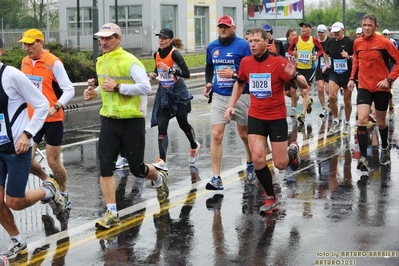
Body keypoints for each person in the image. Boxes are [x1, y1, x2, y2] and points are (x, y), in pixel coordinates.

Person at [83, 23, 169, 229]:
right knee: (105, 167)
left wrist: (118, 87)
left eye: (108, 38)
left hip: (131, 122)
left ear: (118, 39)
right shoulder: (100, 61)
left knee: (137, 170)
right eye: (101, 39)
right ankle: (111, 213)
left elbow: (146, 87)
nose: (103, 42)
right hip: (109, 121)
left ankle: (158, 179)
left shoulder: (130, 61)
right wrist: (93, 93)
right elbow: (105, 89)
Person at [224, 28, 305, 214]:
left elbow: (304, 85)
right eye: (249, 40)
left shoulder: (278, 62)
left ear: (266, 42)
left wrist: (293, 76)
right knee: (258, 158)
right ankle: (270, 197)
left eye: (256, 40)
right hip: (256, 116)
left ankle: (292, 153)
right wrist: (231, 105)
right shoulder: (246, 62)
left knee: (280, 164)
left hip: (276, 117)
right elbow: (240, 82)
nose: (251, 44)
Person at [0, 38, 66, 260]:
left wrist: (27, 134)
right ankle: (17, 240)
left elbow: (40, 104)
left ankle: (50, 191)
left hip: (16, 148)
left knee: (14, 202)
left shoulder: (11, 75)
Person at [18, 29, 75, 222]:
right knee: (25, 158)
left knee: (53, 162)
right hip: (32, 119)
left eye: (31, 44)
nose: (27, 48)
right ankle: (48, 182)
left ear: (40, 42)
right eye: (25, 44)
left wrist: (56, 106)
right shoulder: (24, 63)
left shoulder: (53, 62)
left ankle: (64, 192)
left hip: (52, 118)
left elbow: (69, 89)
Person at [203, 15, 255, 188]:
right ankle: (216, 177)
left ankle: (250, 161)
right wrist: (209, 82)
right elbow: (209, 66)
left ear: (233, 28)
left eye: (226, 26)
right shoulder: (212, 47)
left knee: (244, 135)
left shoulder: (244, 46)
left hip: (241, 94)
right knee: (217, 135)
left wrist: (233, 75)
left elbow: (251, 72)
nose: (222, 29)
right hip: (219, 95)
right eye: (220, 26)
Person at [348, 14, 399, 170]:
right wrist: (351, 78)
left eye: (370, 25)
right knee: (362, 120)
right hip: (363, 86)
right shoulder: (357, 42)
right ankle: (363, 158)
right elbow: (356, 60)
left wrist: (389, 79)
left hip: (381, 87)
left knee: (381, 123)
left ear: (375, 26)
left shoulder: (384, 43)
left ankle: (384, 148)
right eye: (364, 25)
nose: (367, 28)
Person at [149, 28, 201, 171]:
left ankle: (194, 146)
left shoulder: (175, 54)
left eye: (164, 38)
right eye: (159, 38)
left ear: (171, 40)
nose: (161, 40)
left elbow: (187, 73)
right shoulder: (157, 54)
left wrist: (170, 70)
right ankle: (162, 160)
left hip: (178, 93)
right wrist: (154, 74)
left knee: (183, 124)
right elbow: (158, 69)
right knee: (162, 126)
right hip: (164, 93)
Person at [288, 22, 324, 124]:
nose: (303, 29)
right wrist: (293, 53)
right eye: (302, 27)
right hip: (299, 68)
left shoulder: (314, 40)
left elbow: (321, 50)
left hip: (310, 68)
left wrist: (316, 56)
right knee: (303, 93)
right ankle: (309, 102)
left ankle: (302, 115)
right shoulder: (296, 39)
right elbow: (290, 50)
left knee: (305, 92)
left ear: (310, 29)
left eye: (305, 27)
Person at [323, 22, 354, 134]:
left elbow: (357, 57)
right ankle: (336, 121)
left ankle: (347, 122)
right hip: (334, 73)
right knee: (331, 97)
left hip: (347, 74)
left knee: (347, 101)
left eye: (338, 33)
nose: (336, 35)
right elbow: (325, 53)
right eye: (334, 33)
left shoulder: (350, 41)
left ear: (343, 30)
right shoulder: (331, 42)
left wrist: (349, 56)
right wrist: (326, 64)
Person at [283, 29, 300, 118]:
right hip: (286, 72)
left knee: (293, 90)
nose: (295, 36)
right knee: (287, 92)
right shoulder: (284, 47)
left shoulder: (298, 46)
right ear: (288, 37)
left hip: (296, 71)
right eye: (292, 35)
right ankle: (296, 98)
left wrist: (297, 55)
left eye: (295, 35)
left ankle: (293, 109)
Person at [315, 24, 331, 118]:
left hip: (329, 67)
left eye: (322, 32)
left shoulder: (329, 41)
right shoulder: (315, 41)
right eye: (319, 32)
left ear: (325, 32)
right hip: (320, 67)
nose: (321, 34)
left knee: (329, 91)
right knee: (320, 88)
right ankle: (324, 107)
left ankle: (332, 100)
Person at [382, 28, 397, 120]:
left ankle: (390, 107)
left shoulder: (392, 43)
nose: (385, 36)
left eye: (386, 35)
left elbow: (395, 57)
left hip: (390, 68)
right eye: (384, 34)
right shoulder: (380, 43)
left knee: (389, 89)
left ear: (389, 35)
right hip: (381, 69)